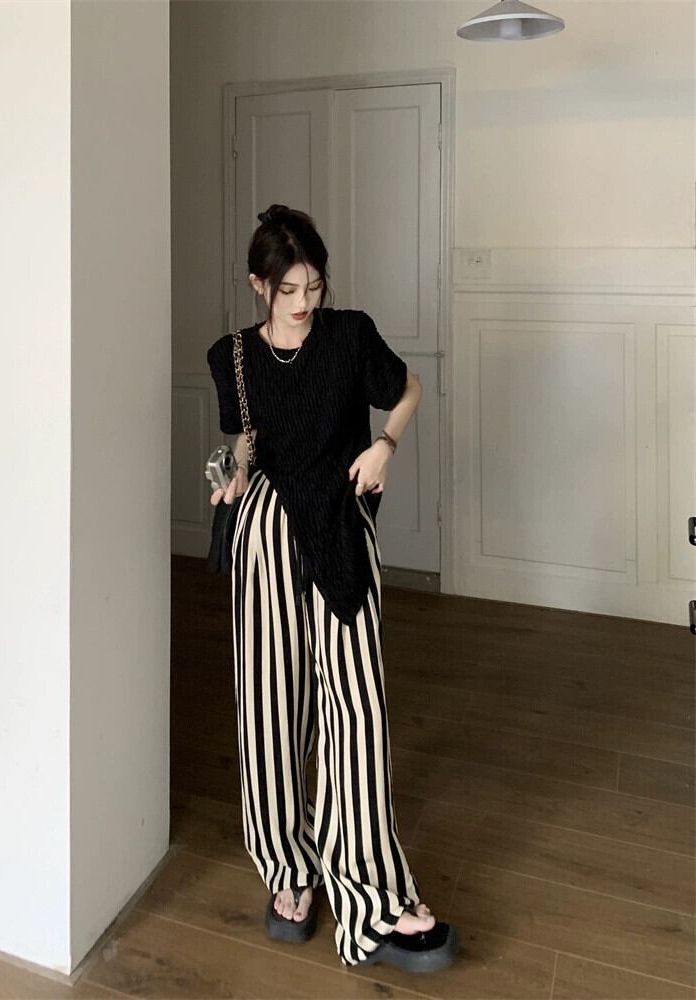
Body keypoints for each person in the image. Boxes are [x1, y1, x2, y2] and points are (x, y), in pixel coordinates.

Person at [206, 204, 459, 973]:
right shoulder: (232, 356)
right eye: (288, 289)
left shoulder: (349, 336)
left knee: (358, 713)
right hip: (266, 536)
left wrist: (385, 443)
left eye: (313, 285)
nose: (304, 302)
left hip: (341, 532)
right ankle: (290, 867)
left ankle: (374, 896)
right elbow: (245, 444)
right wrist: (229, 478)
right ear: (258, 285)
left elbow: (409, 388)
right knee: (270, 708)